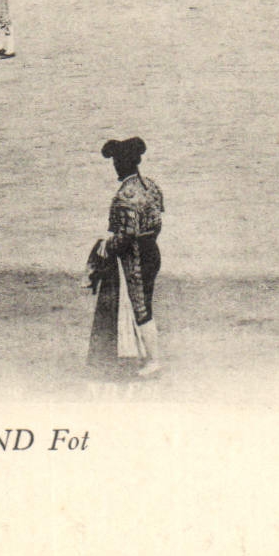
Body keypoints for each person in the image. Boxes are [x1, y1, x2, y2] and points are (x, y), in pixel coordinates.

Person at [87, 136, 164, 376]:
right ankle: (148, 356)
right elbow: (158, 221)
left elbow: (126, 236)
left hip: (137, 256)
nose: (115, 168)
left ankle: (153, 361)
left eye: (116, 163)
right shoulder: (151, 186)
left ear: (123, 164)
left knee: (141, 306)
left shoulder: (124, 196)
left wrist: (106, 248)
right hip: (153, 250)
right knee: (145, 303)